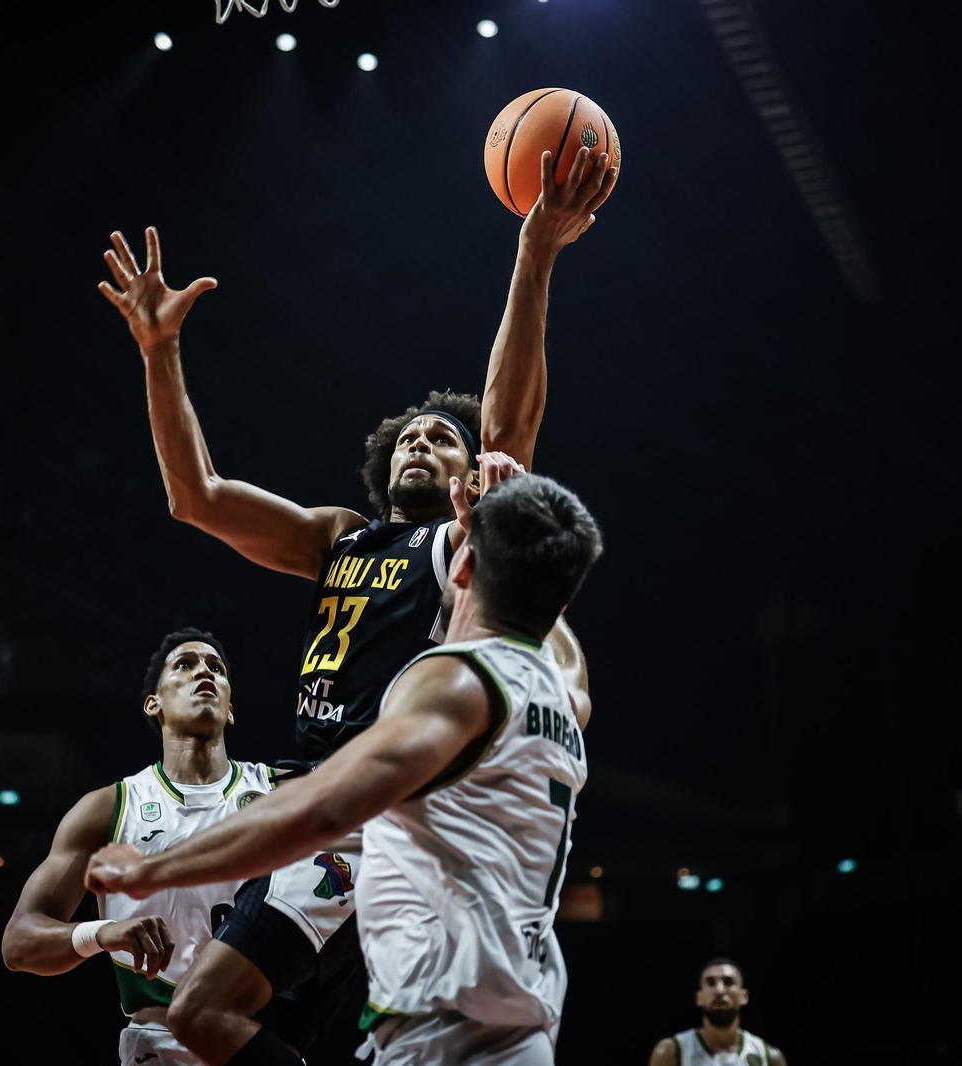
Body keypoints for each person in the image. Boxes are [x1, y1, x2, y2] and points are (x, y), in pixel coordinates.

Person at [96, 145, 613, 1065]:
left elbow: (509, 427)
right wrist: (159, 353)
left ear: (468, 480)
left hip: (376, 804)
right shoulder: (341, 536)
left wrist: (534, 256)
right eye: (409, 436)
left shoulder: (462, 543)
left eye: (442, 440)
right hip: (315, 794)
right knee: (231, 1023)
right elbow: (196, 497)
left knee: (207, 1013)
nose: (423, 443)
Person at [87, 474, 602, 1066]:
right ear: (557, 603)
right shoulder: (564, 699)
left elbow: (322, 807)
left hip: (442, 1033)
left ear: (461, 569)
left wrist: (153, 869)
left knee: (202, 1012)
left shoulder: (452, 680)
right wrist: (523, 552)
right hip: (527, 1027)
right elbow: (550, 627)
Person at [1, 629, 276, 1066]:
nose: (204, 670)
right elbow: (18, 943)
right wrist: (102, 935)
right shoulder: (108, 808)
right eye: (184, 664)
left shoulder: (281, 793)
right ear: (154, 703)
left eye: (217, 668)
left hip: (263, 1038)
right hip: (160, 1042)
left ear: (231, 709)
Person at [648, 959, 787, 1066]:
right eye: (711, 983)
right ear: (699, 998)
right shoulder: (671, 1052)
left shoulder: (769, 1056)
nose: (719, 990)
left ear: (744, 996)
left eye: (728, 982)